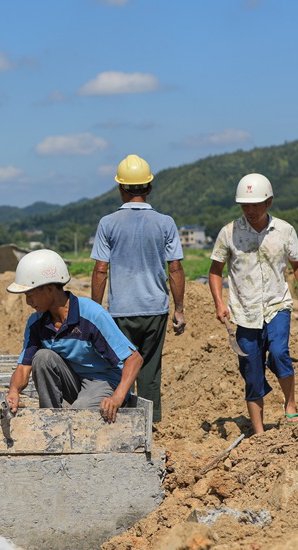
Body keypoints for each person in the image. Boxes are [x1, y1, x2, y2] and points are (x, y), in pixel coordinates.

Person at [208, 173, 298, 435]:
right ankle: (259, 432)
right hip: (244, 313)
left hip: (277, 306)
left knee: (279, 353)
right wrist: (220, 303)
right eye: (245, 205)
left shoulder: (284, 231)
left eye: (255, 204)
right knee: (251, 370)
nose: (250, 210)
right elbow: (215, 270)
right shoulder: (229, 233)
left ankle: (290, 406)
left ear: (269, 202)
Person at [90, 154, 186, 423]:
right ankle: (149, 423)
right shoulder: (165, 222)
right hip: (155, 309)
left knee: (120, 367)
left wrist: (96, 312)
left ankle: (119, 419)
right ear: (149, 187)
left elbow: (100, 270)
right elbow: (175, 269)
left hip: (120, 311)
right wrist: (179, 309)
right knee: (150, 370)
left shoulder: (107, 223)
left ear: (120, 188)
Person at [5, 249, 143, 424]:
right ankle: (51, 419)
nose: (28, 302)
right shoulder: (36, 322)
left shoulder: (92, 315)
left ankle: (73, 416)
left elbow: (134, 359)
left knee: (80, 413)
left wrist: (117, 397)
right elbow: (24, 367)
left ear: (49, 289)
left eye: (30, 295)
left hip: (104, 381)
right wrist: (14, 391)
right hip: (75, 380)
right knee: (42, 357)